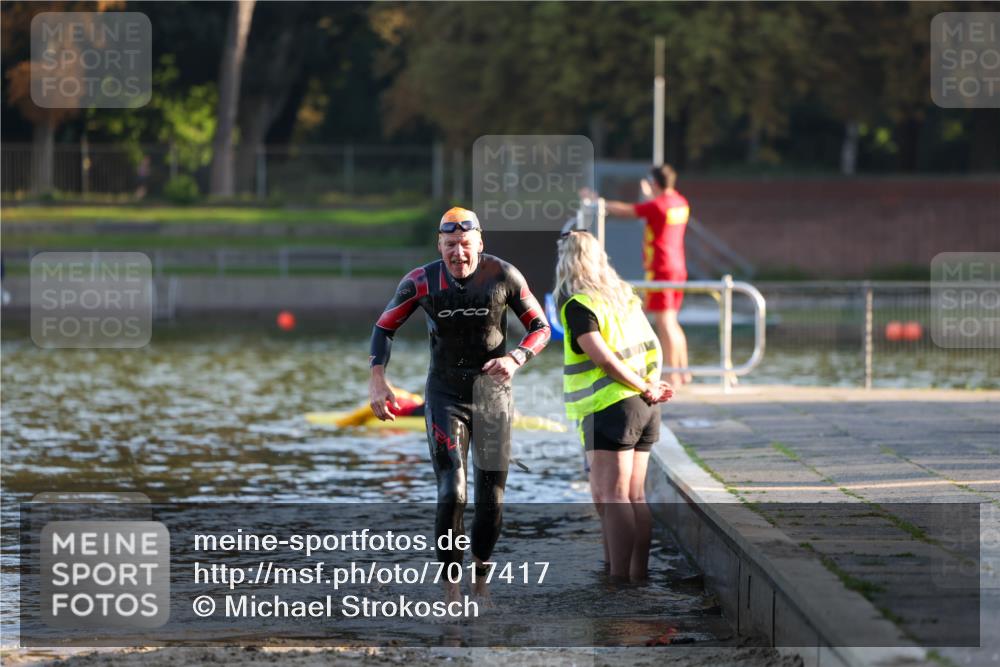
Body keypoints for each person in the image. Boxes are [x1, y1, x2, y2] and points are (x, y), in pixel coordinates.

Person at [368, 207, 550, 604]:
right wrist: (378, 378)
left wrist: (515, 358)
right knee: (453, 491)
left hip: (493, 397)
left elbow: (541, 327)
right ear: (440, 245)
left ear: (479, 244)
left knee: (492, 497)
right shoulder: (421, 280)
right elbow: (384, 327)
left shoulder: (503, 275)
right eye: (450, 245)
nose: (458, 254)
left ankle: (480, 578)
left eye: (466, 245)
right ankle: (451, 591)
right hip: (445, 395)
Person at [554, 229, 673, 582]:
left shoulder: (578, 304)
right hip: (645, 407)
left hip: (610, 407)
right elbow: (654, 344)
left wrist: (641, 386)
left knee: (613, 496)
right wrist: (652, 385)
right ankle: (637, 576)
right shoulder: (624, 298)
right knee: (633, 495)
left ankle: (617, 582)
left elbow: (603, 360)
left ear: (566, 261)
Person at [599, 164, 692, 387]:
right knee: (673, 321)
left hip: (660, 268)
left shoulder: (657, 206)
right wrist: (651, 195)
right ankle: (683, 371)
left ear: (654, 183)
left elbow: (626, 211)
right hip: (678, 266)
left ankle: (671, 374)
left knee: (665, 322)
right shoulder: (680, 202)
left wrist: (599, 203)